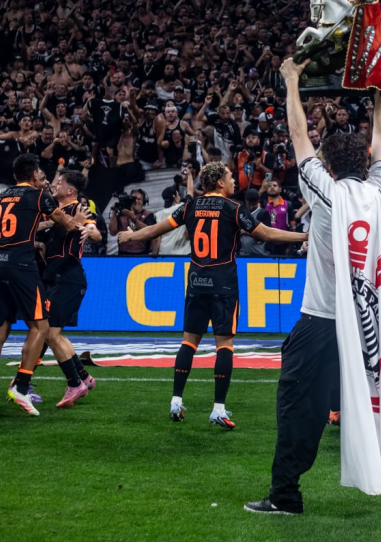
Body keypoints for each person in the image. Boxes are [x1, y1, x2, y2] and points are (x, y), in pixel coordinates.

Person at [245, 57, 381, 516]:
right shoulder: (380, 189)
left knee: (297, 402)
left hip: (325, 319)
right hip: (374, 321)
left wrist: (291, 81)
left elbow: (299, 135)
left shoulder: (324, 191)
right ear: (363, 163)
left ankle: (285, 495)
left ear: (327, 164)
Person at [118, 161, 306, 429]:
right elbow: (264, 233)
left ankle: (176, 400)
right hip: (224, 285)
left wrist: (130, 235)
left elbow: (154, 230)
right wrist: (304, 235)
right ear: (219, 182)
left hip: (196, 282)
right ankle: (218, 408)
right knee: (224, 345)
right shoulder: (233, 208)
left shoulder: (190, 206)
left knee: (188, 343)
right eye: (230, 177)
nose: (233, 181)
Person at [0, 154, 88, 416]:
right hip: (20, 266)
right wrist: (77, 223)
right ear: (34, 175)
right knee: (41, 326)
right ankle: (21, 385)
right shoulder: (37, 195)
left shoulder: (0, 197)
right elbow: (66, 223)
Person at [42, 170, 102, 408]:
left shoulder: (80, 209)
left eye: (60, 182)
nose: (55, 184)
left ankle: (75, 383)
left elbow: (94, 232)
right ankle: (84, 378)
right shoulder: (57, 213)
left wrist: (89, 230)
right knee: (54, 333)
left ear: (71, 190)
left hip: (69, 276)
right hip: (58, 276)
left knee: (51, 333)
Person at [109, 189, 157, 255]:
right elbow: (112, 232)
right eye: (134, 199)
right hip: (123, 255)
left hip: (141, 255)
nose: (136, 201)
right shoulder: (122, 214)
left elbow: (150, 231)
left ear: (144, 201)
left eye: (139, 199)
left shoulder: (148, 215)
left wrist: (133, 218)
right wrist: (114, 212)